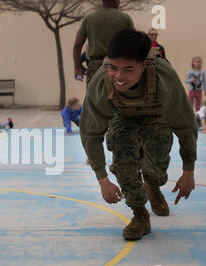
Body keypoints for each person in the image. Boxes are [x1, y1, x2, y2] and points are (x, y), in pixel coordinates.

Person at [80, 29, 197, 241]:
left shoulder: (163, 77)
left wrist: (189, 171)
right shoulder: (101, 81)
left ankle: (152, 184)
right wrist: (102, 179)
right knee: (123, 162)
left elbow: (185, 125)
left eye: (128, 70)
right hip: (122, 116)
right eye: (113, 68)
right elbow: (90, 132)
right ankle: (140, 215)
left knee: (157, 170)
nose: (119, 76)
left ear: (143, 66)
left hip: (158, 116)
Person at [73, 0, 134, 86]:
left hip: (95, 67)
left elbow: (77, 45)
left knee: (93, 97)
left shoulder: (89, 18)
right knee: (118, 98)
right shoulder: (125, 18)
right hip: (118, 67)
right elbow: (134, 43)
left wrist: (77, 68)